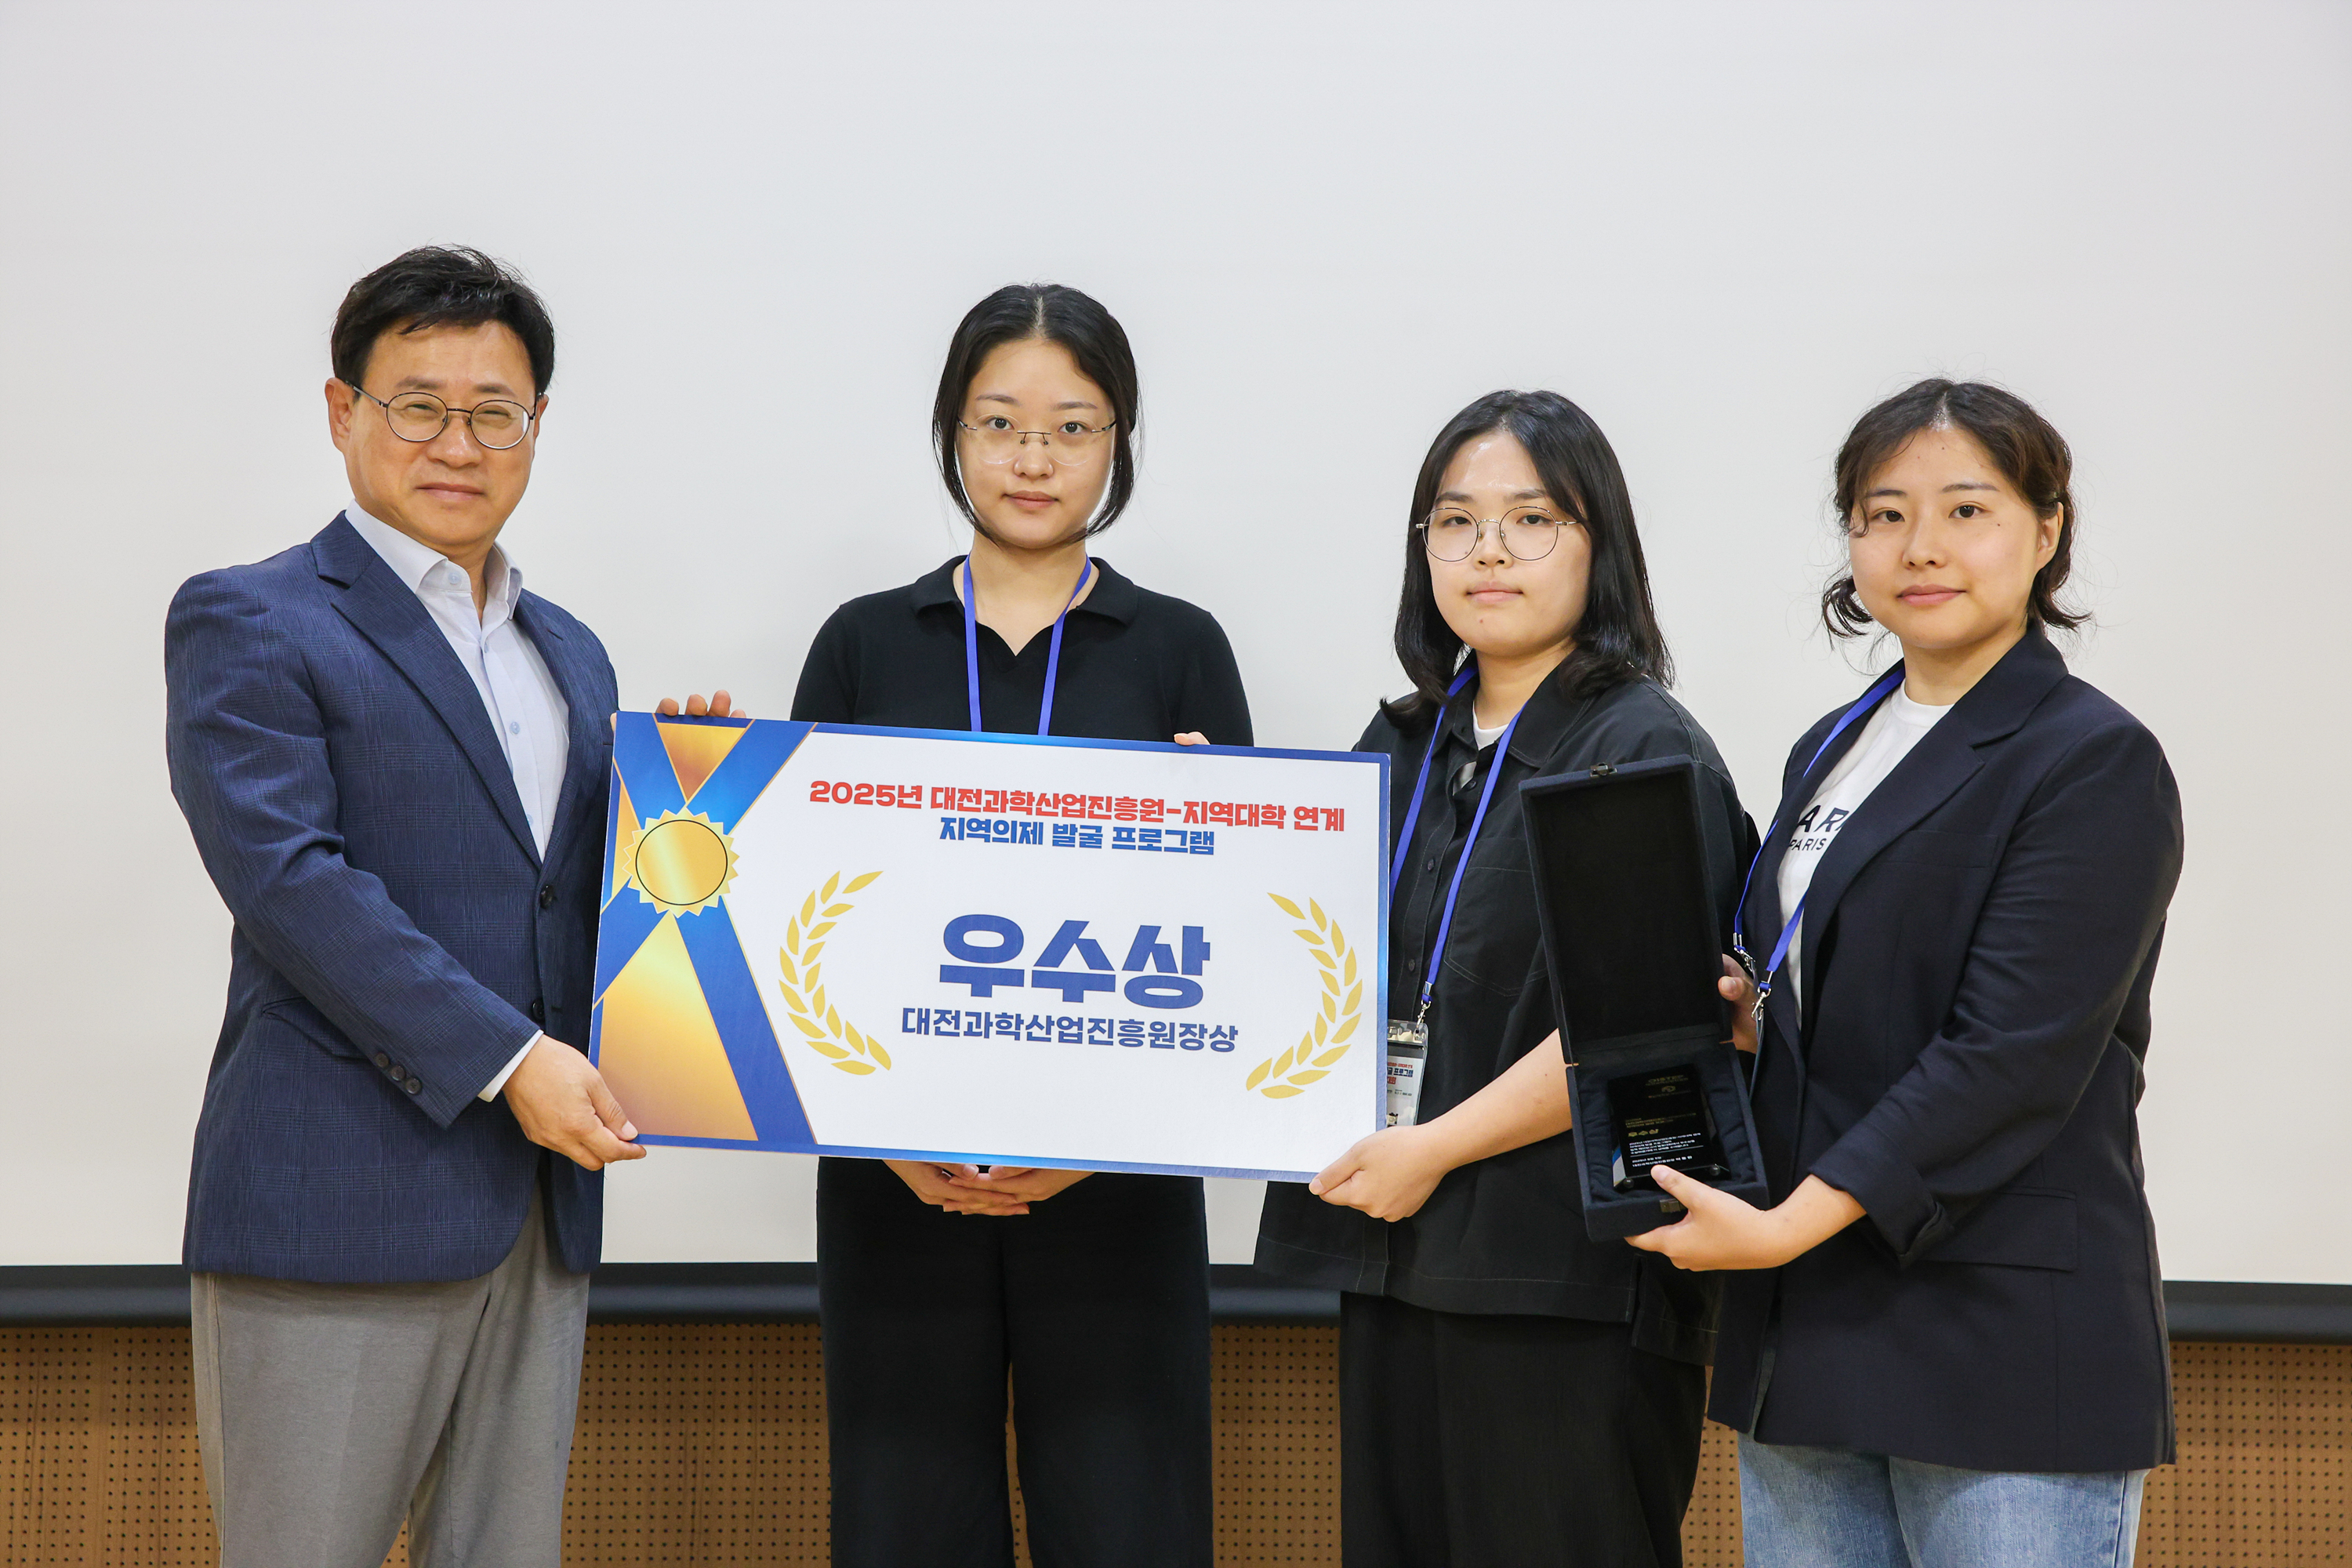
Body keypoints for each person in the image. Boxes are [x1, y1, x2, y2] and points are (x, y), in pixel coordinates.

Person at [673, 282, 1247, 1567]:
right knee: (906, 1525)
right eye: (1000, 423)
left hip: (1118, 1188)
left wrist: (1090, 1147)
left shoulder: (1178, 648)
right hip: (894, 1184)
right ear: (952, 433)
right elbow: (801, 919)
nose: (1033, 458)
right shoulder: (865, 643)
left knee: (1130, 1526)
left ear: (1119, 442)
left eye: (1072, 427)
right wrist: (702, 798)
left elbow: (1227, 950)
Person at [1630, 379, 2183, 1567]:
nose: (1920, 547)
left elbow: (2011, 1057)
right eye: (1883, 515)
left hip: (1998, 1335)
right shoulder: (1831, 746)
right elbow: (1841, 980)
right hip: (1809, 1326)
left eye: (1966, 510)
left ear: (2047, 530)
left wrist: (1784, 1229)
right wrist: (1762, 1022)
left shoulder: (2092, 759)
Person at [163, 246, 643, 1568]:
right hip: (336, 1201)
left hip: (537, 1213)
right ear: (343, 411)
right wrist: (513, 1061)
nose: (458, 443)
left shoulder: (573, 651)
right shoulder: (253, 619)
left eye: (495, 412)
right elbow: (291, 882)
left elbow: (572, 898)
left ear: (536, 424)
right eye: (418, 405)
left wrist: (699, 801)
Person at [1254, 390, 1748, 1568]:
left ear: (1598, 544)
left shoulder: (1640, 745)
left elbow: (1639, 1027)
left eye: (1531, 520)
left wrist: (1433, 1146)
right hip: (1398, 1256)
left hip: (1562, 1281)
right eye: (1455, 521)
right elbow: (1317, 962)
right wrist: (1210, 831)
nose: (1487, 551)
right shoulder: (1402, 743)